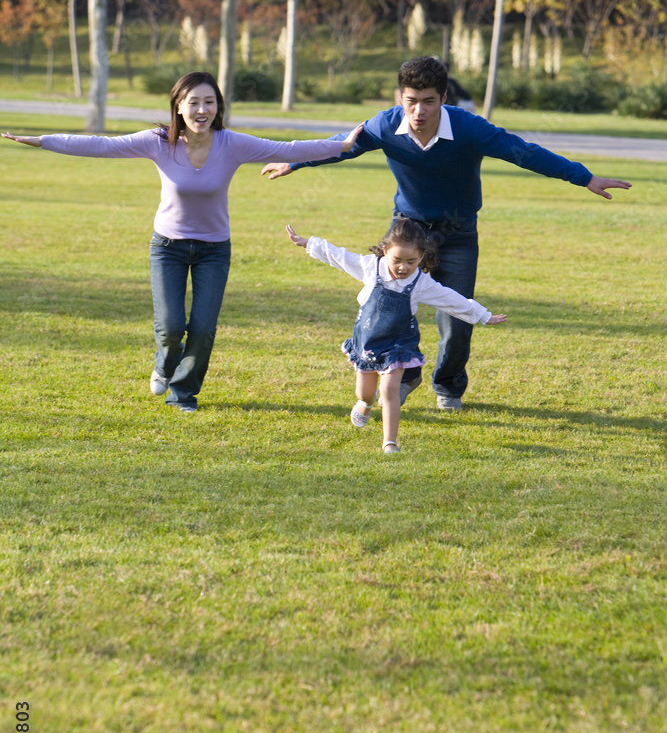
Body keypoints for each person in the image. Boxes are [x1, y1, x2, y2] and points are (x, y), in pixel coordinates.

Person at [263, 56, 631, 412]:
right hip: (407, 231)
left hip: (457, 233)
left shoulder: (470, 128)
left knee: (456, 319)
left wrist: (585, 178)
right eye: (410, 101)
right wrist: (294, 162)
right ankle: (404, 378)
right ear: (399, 98)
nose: (418, 111)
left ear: (443, 99)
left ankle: (448, 385)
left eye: (428, 101)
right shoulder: (384, 125)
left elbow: (523, 152)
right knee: (388, 307)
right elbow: (342, 145)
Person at [2, 71, 361, 413]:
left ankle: (183, 393)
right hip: (168, 247)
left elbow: (290, 148)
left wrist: (341, 145)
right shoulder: (159, 142)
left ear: (218, 107)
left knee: (203, 329)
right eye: (193, 102)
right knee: (171, 327)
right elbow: (101, 145)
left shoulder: (231, 144)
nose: (202, 110)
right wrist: (41, 140)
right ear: (178, 106)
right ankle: (164, 365)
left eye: (209, 102)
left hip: (214, 250)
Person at [286, 217, 506, 453]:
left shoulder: (421, 282)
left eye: (411, 261)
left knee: (391, 389)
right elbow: (341, 257)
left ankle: (389, 442)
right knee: (365, 393)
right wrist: (310, 244)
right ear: (385, 251)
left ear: (422, 256)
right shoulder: (371, 267)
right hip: (368, 340)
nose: (403, 267)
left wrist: (482, 315)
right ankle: (366, 403)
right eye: (397, 260)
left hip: (399, 344)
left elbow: (450, 299)